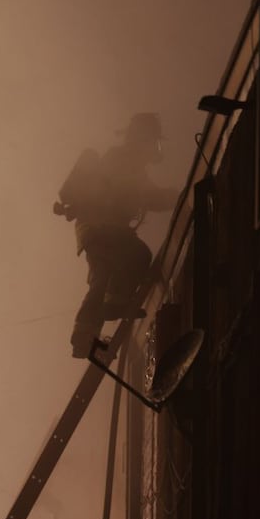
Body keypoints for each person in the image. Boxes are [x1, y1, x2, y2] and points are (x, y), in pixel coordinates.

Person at [56, 112, 181, 358]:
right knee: (137, 255)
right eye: (150, 141)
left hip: (96, 229)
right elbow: (142, 193)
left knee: (102, 279)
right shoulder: (121, 160)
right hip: (103, 227)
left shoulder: (127, 163)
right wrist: (175, 196)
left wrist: (171, 196)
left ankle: (86, 336)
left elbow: (144, 194)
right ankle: (112, 307)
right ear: (142, 139)